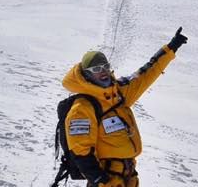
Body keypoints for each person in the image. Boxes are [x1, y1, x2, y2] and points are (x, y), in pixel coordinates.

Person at [62, 28, 188, 186]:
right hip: (108, 180)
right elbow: (80, 151)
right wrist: (100, 181)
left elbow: (145, 74)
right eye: (96, 69)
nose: (103, 72)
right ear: (86, 75)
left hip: (129, 176)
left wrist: (171, 48)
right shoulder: (83, 107)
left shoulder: (118, 92)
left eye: (105, 67)